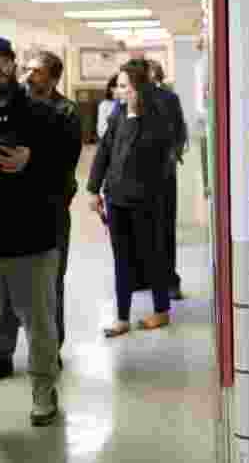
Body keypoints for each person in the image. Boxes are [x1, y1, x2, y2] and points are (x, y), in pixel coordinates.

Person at [0, 37, 71, 448]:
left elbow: (64, 172)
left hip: (33, 241)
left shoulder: (43, 115)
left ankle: (43, 388)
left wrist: (32, 161)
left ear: (13, 65)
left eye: (3, 60)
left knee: (40, 323)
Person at [0, 51, 82, 381]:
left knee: (48, 285)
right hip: (10, 212)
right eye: (27, 69)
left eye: (37, 71)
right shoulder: (10, 107)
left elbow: (65, 161)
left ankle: (47, 352)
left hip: (50, 212)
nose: (29, 76)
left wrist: (31, 159)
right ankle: (1, 354)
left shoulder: (67, 112)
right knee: (4, 285)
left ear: (54, 78)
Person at [87, 61, 174, 337]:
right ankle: (122, 318)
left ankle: (161, 311)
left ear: (138, 88)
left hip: (145, 201)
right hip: (117, 199)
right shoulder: (118, 114)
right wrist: (93, 190)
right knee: (121, 258)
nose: (119, 91)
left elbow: (157, 160)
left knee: (152, 256)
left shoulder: (157, 118)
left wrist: (138, 115)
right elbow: (104, 152)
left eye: (124, 86)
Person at [148, 59, 189, 300]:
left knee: (165, 227)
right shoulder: (130, 99)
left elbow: (180, 130)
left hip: (163, 173)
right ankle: (145, 277)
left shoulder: (168, 98)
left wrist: (174, 153)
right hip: (136, 177)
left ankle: (169, 280)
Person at [96, 74, 119, 140]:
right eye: (120, 86)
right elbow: (101, 131)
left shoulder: (127, 103)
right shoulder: (104, 105)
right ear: (112, 88)